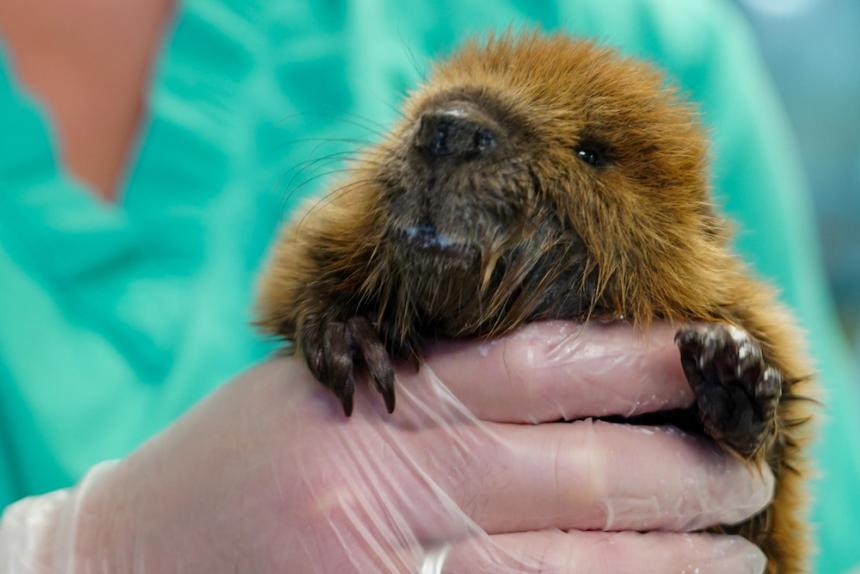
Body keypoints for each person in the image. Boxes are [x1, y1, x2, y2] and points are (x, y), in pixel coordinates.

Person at [0, 0, 857, 572]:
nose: (444, 139)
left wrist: (731, 412)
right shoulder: (347, 255)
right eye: (432, 120)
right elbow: (310, 277)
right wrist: (92, 549)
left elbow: (808, 514)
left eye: (587, 155)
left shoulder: (655, 31)